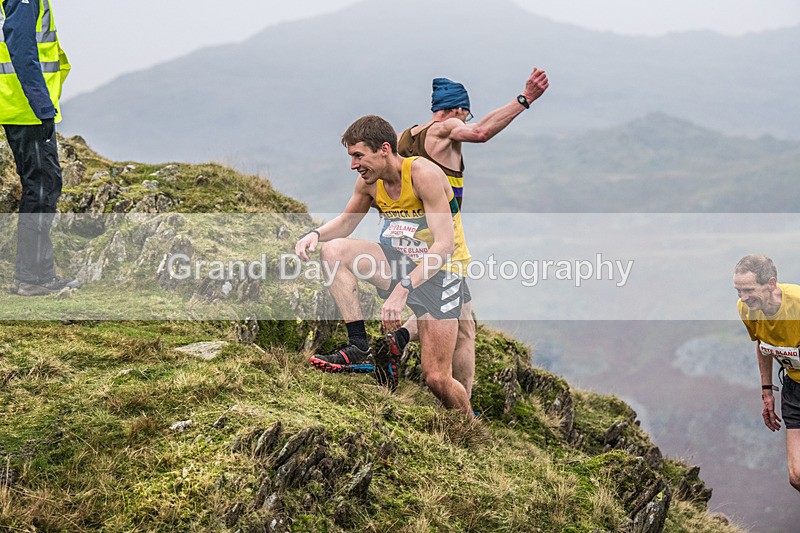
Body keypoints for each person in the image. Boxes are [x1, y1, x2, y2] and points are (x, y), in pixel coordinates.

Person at [374, 68, 550, 392]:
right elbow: (481, 132)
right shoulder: (447, 127)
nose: (465, 120)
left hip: (406, 234)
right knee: (463, 328)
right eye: (465, 113)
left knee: (449, 312)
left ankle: (400, 338)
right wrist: (524, 100)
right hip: (441, 238)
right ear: (456, 109)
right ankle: (463, 405)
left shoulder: (406, 136)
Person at [295, 115, 474, 416]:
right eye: (351, 157)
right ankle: (358, 347)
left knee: (437, 378)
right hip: (399, 260)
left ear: (385, 149)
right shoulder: (369, 182)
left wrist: (403, 289)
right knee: (333, 251)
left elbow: (444, 245)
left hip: (441, 271)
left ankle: (469, 426)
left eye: (358, 156)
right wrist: (314, 235)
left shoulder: (423, 175)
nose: (354, 165)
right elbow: (346, 223)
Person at [1, 0, 79, 296]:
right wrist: (42, 107)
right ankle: (32, 279)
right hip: (26, 109)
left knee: (42, 184)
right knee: (43, 186)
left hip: (20, 106)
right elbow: (22, 49)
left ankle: (38, 276)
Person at [734, 255, 800, 492]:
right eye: (738, 291)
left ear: (771, 284)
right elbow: (762, 343)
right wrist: (767, 391)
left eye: (749, 290)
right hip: (793, 387)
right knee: (797, 476)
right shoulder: (746, 308)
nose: (743, 298)